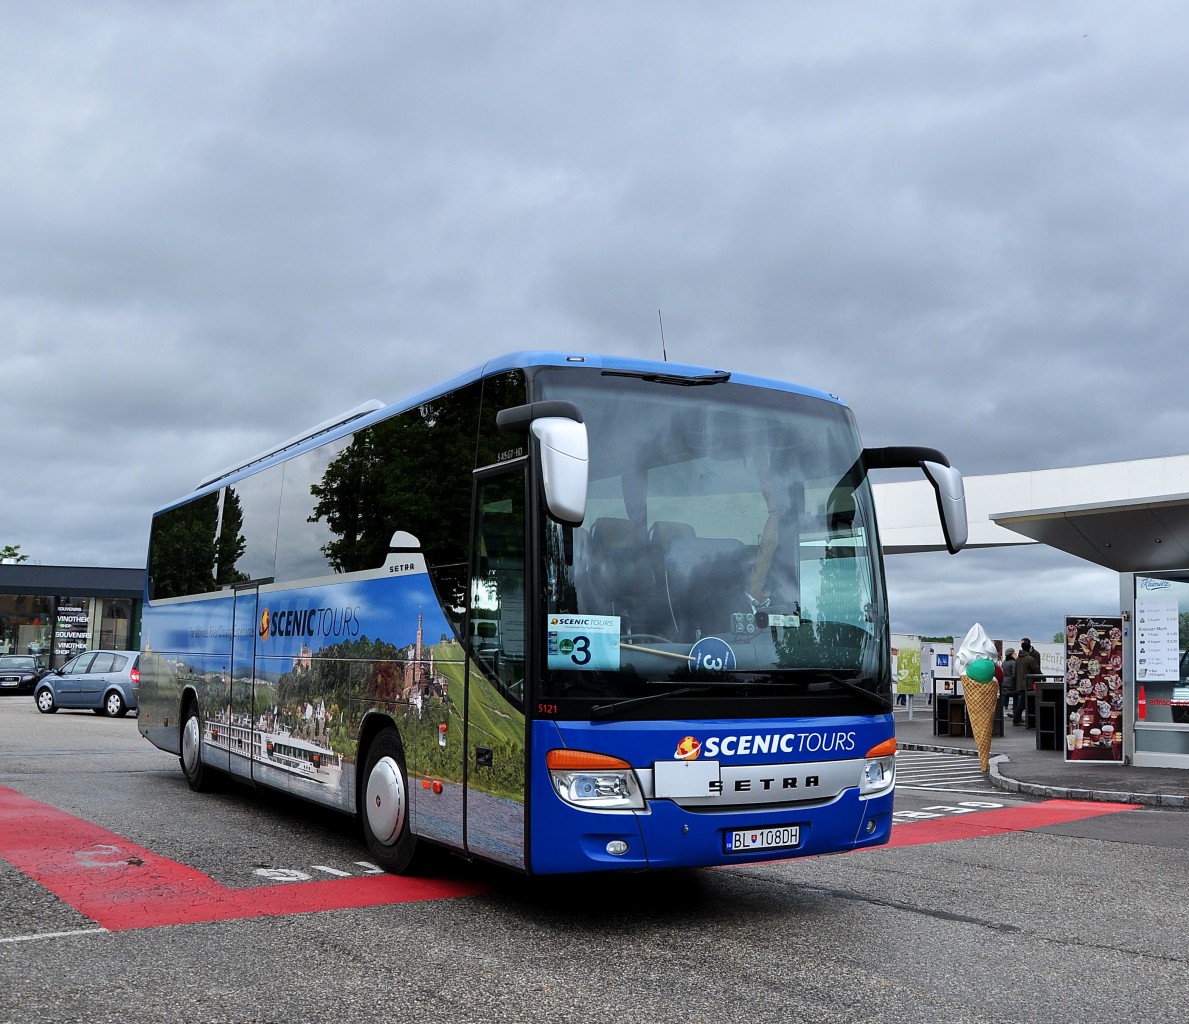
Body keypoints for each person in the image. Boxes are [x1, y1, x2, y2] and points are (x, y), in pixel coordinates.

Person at [1013, 638, 1041, 726]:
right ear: (1029, 648)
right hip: (1028, 684)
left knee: (1023, 702)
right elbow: (1036, 669)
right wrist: (1042, 677)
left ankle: (1018, 718)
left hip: (1020, 684)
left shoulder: (1018, 659)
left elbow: (1016, 672)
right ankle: (1017, 719)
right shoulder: (1030, 659)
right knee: (1025, 703)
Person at [1000, 647, 1017, 721]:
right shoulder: (1013, 663)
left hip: (1004, 684)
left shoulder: (1004, 663)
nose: (1016, 654)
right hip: (1012, 685)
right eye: (1014, 653)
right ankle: (1016, 714)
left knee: (1003, 701)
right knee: (1016, 699)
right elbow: (1014, 674)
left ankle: (999, 714)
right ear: (1011, 654)